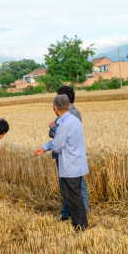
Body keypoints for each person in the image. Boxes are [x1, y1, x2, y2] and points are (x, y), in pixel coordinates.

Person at [35, 95, 89, 231]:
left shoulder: (64, 125)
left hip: (70, 165)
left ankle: (81, 226)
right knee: (75, 195)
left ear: (55, 107)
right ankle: (81, 224)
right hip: (77, 163)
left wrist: (47, 145)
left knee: (73, 197)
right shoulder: (74, 120)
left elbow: (58, 145)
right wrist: (45, 147)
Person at [48, 86, 89, 222]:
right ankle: (68, 213)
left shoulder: (73, 115)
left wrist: (54, 127)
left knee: (77, 188)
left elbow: (57, 135)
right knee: (66, 187)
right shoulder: (64, 116)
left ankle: (82, 214)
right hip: (64, 156)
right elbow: (53, 134)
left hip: (70, 157)